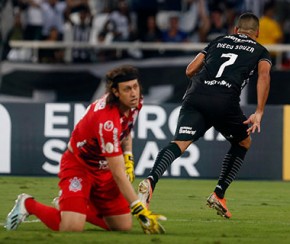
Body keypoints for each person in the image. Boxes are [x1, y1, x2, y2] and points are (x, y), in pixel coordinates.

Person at [138, 12, 271, 219]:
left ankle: (151, 180)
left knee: (179, 144)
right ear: (257, 33)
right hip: (224, 100)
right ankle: (219, 194)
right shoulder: (260, 50)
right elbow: (264, 76)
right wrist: (259, 111)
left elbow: (190, 70)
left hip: (196, 96)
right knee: (243, 142)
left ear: (235, 30)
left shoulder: (217, 40)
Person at [5, 65, 166, 234]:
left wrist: (128, 157)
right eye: (127, 89)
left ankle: (70, 206)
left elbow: (125, 131)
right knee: (72, 228)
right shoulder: (106, 122)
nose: (134, 93)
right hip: (80, 166)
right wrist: (139, 209)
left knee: (123, 226)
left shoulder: (135, 102)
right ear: (115, 92)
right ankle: (28, 204)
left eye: (135, 86)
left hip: (102, 168)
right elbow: (118, 174)